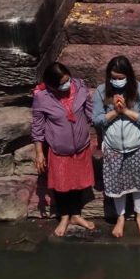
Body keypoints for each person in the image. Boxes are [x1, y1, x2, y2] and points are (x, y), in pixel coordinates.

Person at [93, 56, 140, 238]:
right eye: (114, 77)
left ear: (128, 75)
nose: (117, 81)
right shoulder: (101, 91)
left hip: (136, 144)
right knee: (116, 184)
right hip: (113, 146)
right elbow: (96, 119)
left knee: (139, 184)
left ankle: (139, 217)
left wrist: (126, 110)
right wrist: (114, 111)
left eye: (121, 77)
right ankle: (120, 217)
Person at [32, 62, 95, 237]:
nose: (67, 85)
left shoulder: (80, 87)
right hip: (59, 149)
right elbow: (38, 128)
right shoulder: (42, 97)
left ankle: (75, 215)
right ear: (52, 84)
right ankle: (64, 216)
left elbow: (91, 112)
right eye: (61, 83)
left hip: (81, 146)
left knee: (77, 182)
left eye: (68, 80)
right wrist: (39, 153)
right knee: (61, 185)